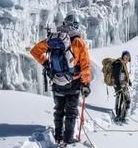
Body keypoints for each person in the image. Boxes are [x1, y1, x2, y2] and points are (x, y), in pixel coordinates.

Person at [30, 13, 92, 144]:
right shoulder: (79, 42)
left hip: (57, 81)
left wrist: (46, 63)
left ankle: (58, 137)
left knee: (59, 110)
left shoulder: (53, 39)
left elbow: (35, 51)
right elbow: (85, 65)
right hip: (73, 82)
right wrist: (86, 84)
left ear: (64, 24)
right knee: (71, 112)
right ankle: (68, 140)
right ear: (76, 26)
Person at [112, 50, 132, 123]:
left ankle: (122, 116)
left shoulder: (123, 64)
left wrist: (128, 81)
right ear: (123, 56)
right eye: (125, 56)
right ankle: (119, 116)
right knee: (122, 100)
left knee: (126, 100)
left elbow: (124, 74)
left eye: (128, 57)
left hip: (123, 85)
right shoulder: (119, 64)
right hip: (119, 85)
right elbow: (116, 76)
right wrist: (118, 86)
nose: (126, 58)